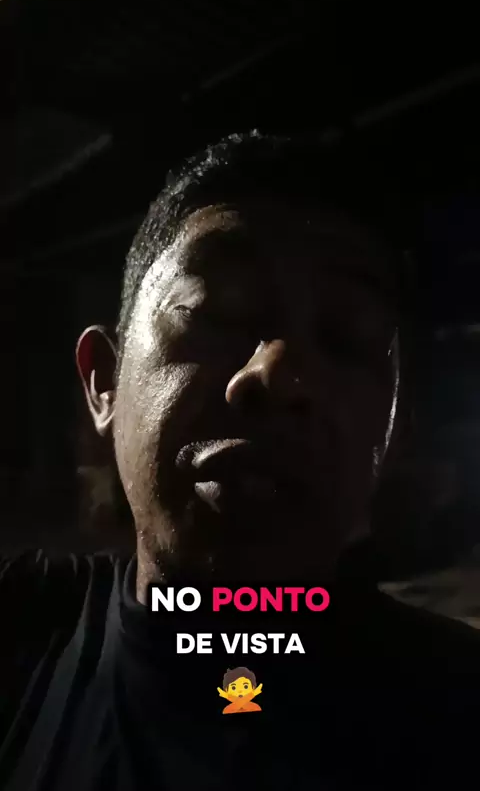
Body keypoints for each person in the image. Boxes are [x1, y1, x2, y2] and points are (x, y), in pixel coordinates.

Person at [0, 131, 478, 790]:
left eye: (348, 340)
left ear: (396, 430)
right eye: (217, 309)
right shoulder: (22, 633)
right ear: (104, 382)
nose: (276, 375)